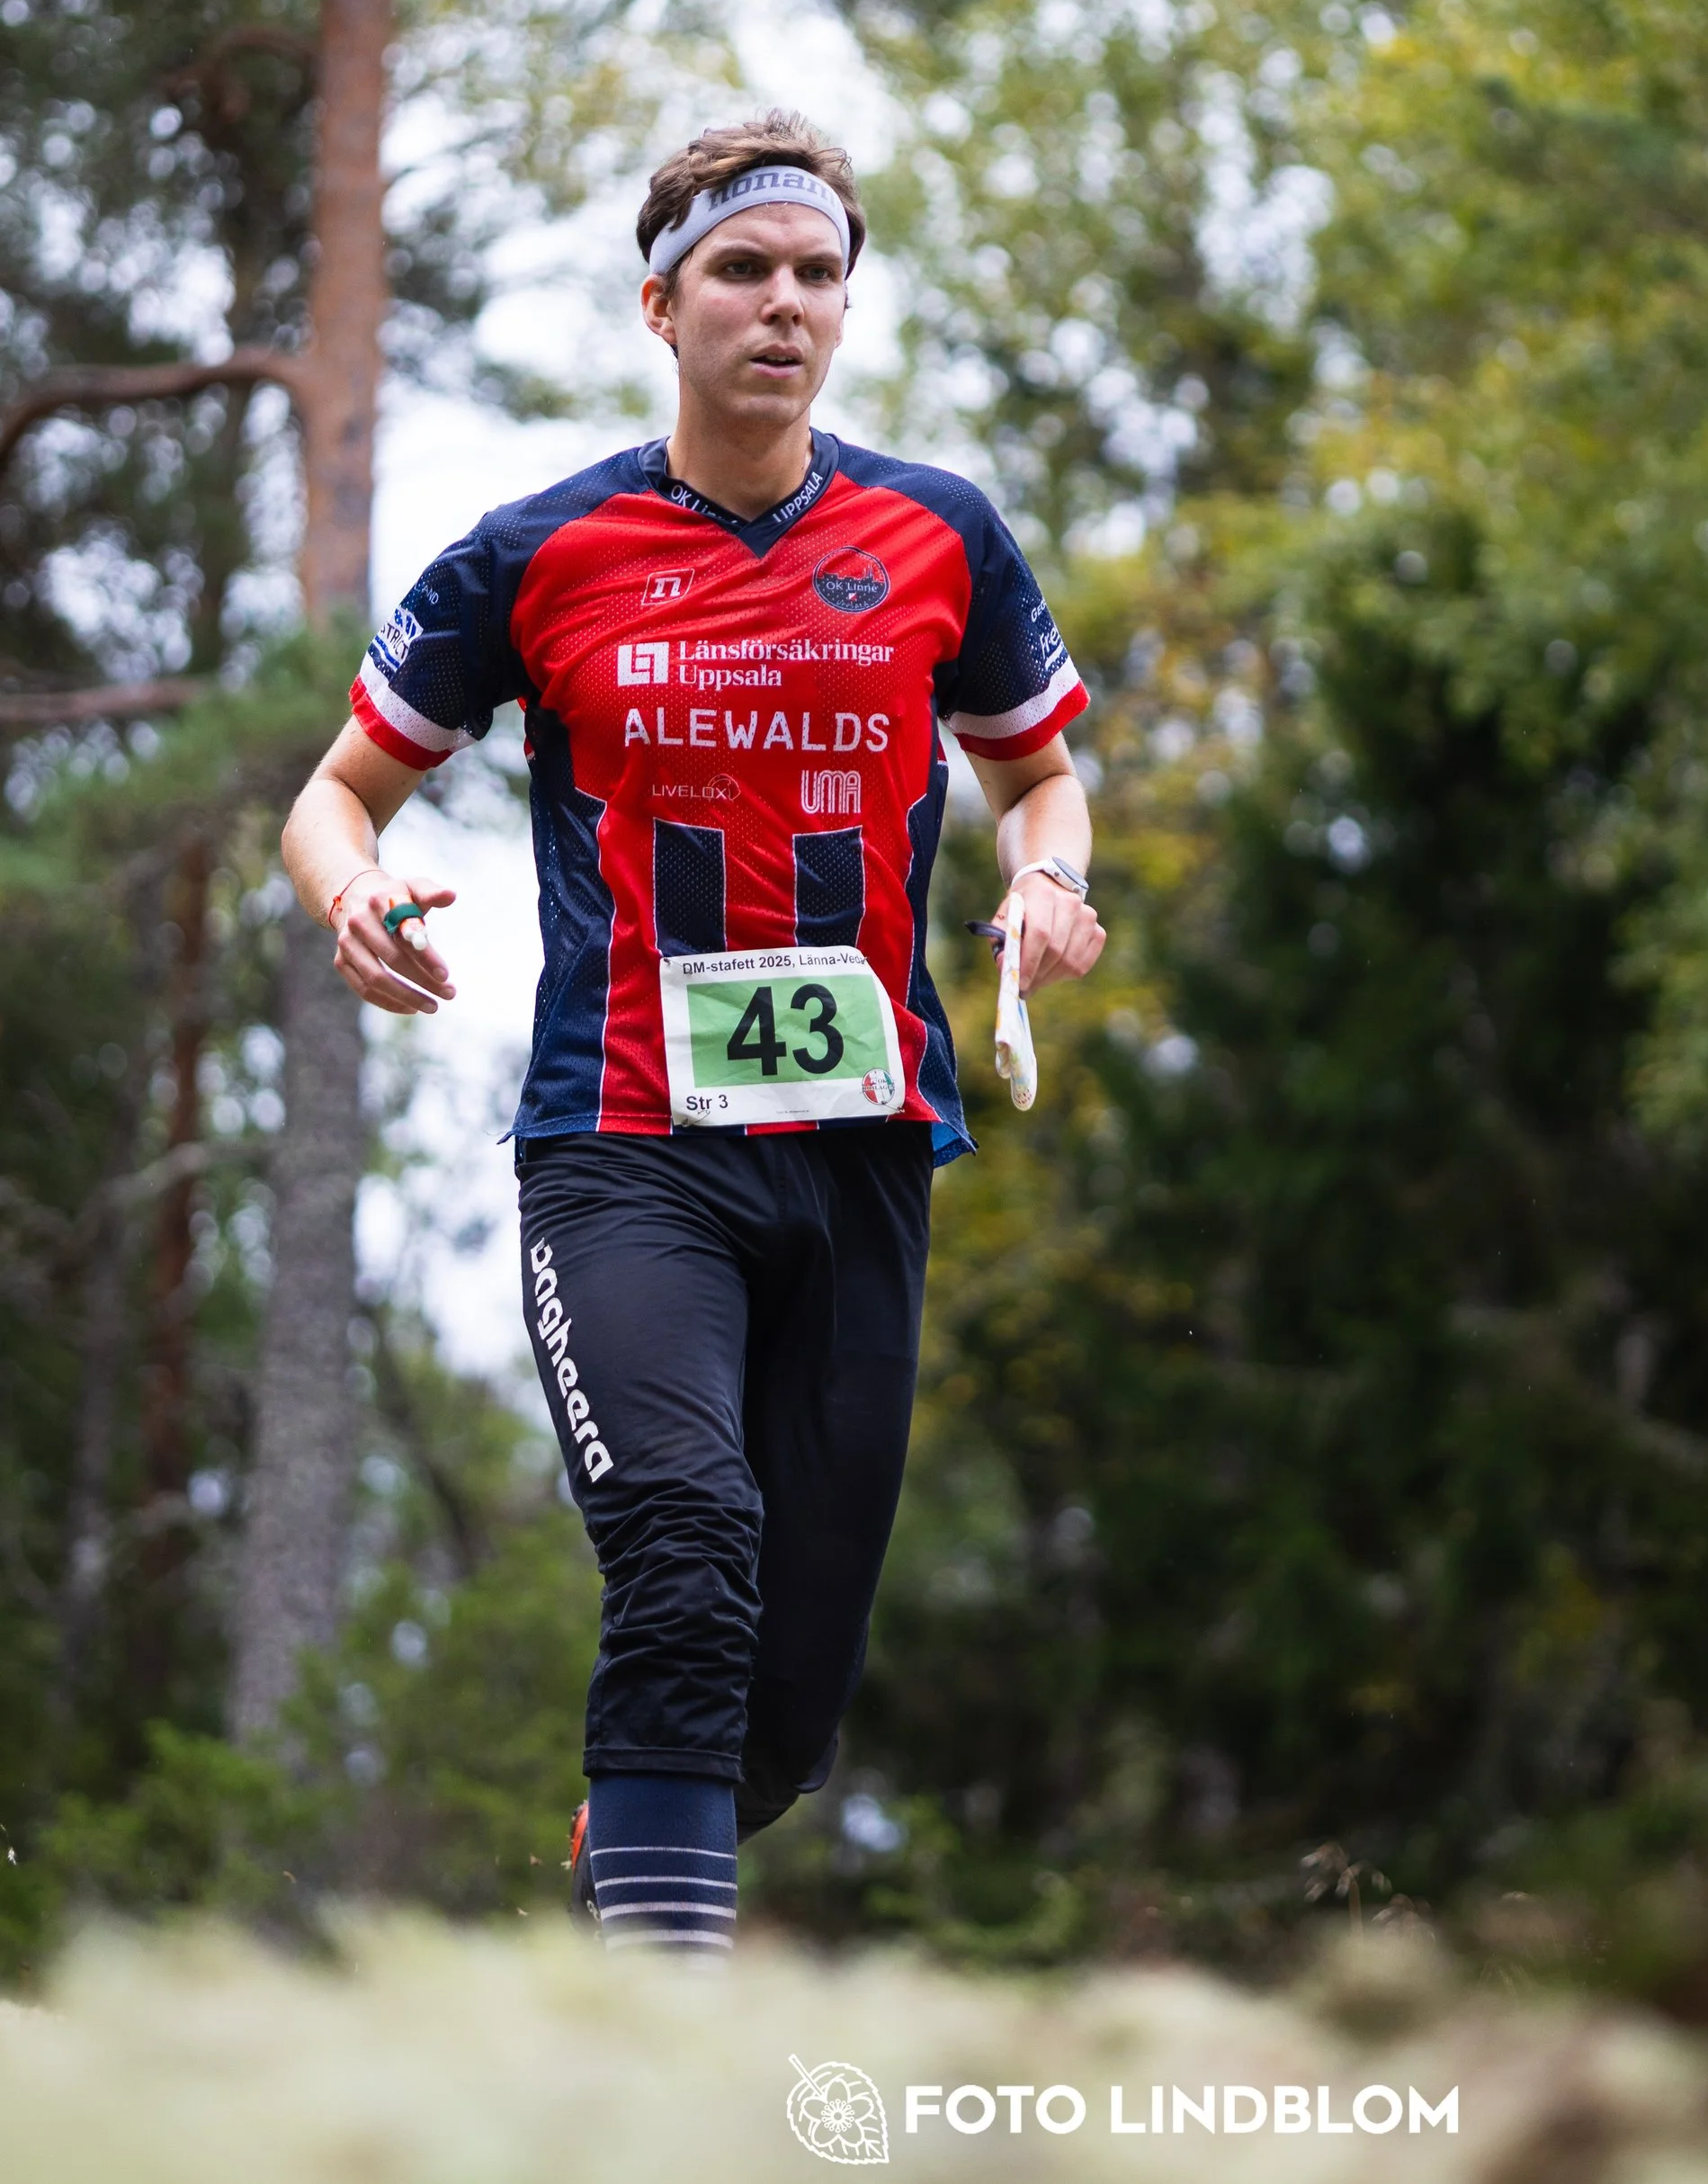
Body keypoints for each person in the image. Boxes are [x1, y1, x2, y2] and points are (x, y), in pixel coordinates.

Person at [281, 111, 1105, 1955]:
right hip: (624, 1143)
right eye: (742, 269)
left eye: (817, 273)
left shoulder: (940, 534)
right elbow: (335, 795)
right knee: (684, 1535)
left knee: (785, 1698)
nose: (783, 303)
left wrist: (1051, 881)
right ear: (661, 306)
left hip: (863, 1145)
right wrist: (353, 897)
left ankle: (634, 1853)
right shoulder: (539, 549)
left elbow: (1039, 776)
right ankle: (653, 2030)